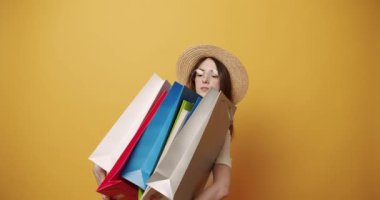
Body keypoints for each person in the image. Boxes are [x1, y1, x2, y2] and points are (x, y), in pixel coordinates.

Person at [93, 44, 249, 200]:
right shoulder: (167, 105)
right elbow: (122, 150)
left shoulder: (219, 129)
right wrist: (106, 177)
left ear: (224, 84)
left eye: (214, 75)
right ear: (193, 79)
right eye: (200, 74)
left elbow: (221, 188)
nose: (205, 79)